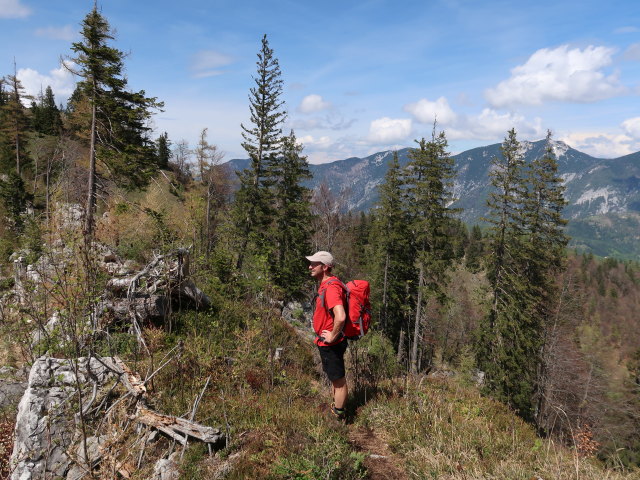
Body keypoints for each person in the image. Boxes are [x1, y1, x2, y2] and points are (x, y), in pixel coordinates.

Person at [306, 250, 348, 419]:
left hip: (331, 343)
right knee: (334, 378)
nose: (310, 267)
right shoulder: (327, 285)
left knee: (339, 381)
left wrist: (332, 336)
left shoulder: (331, 288)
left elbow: (341, 316)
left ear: (324, 267)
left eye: (314, 264)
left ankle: (339, 416)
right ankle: (336, 407)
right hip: (327, 343)